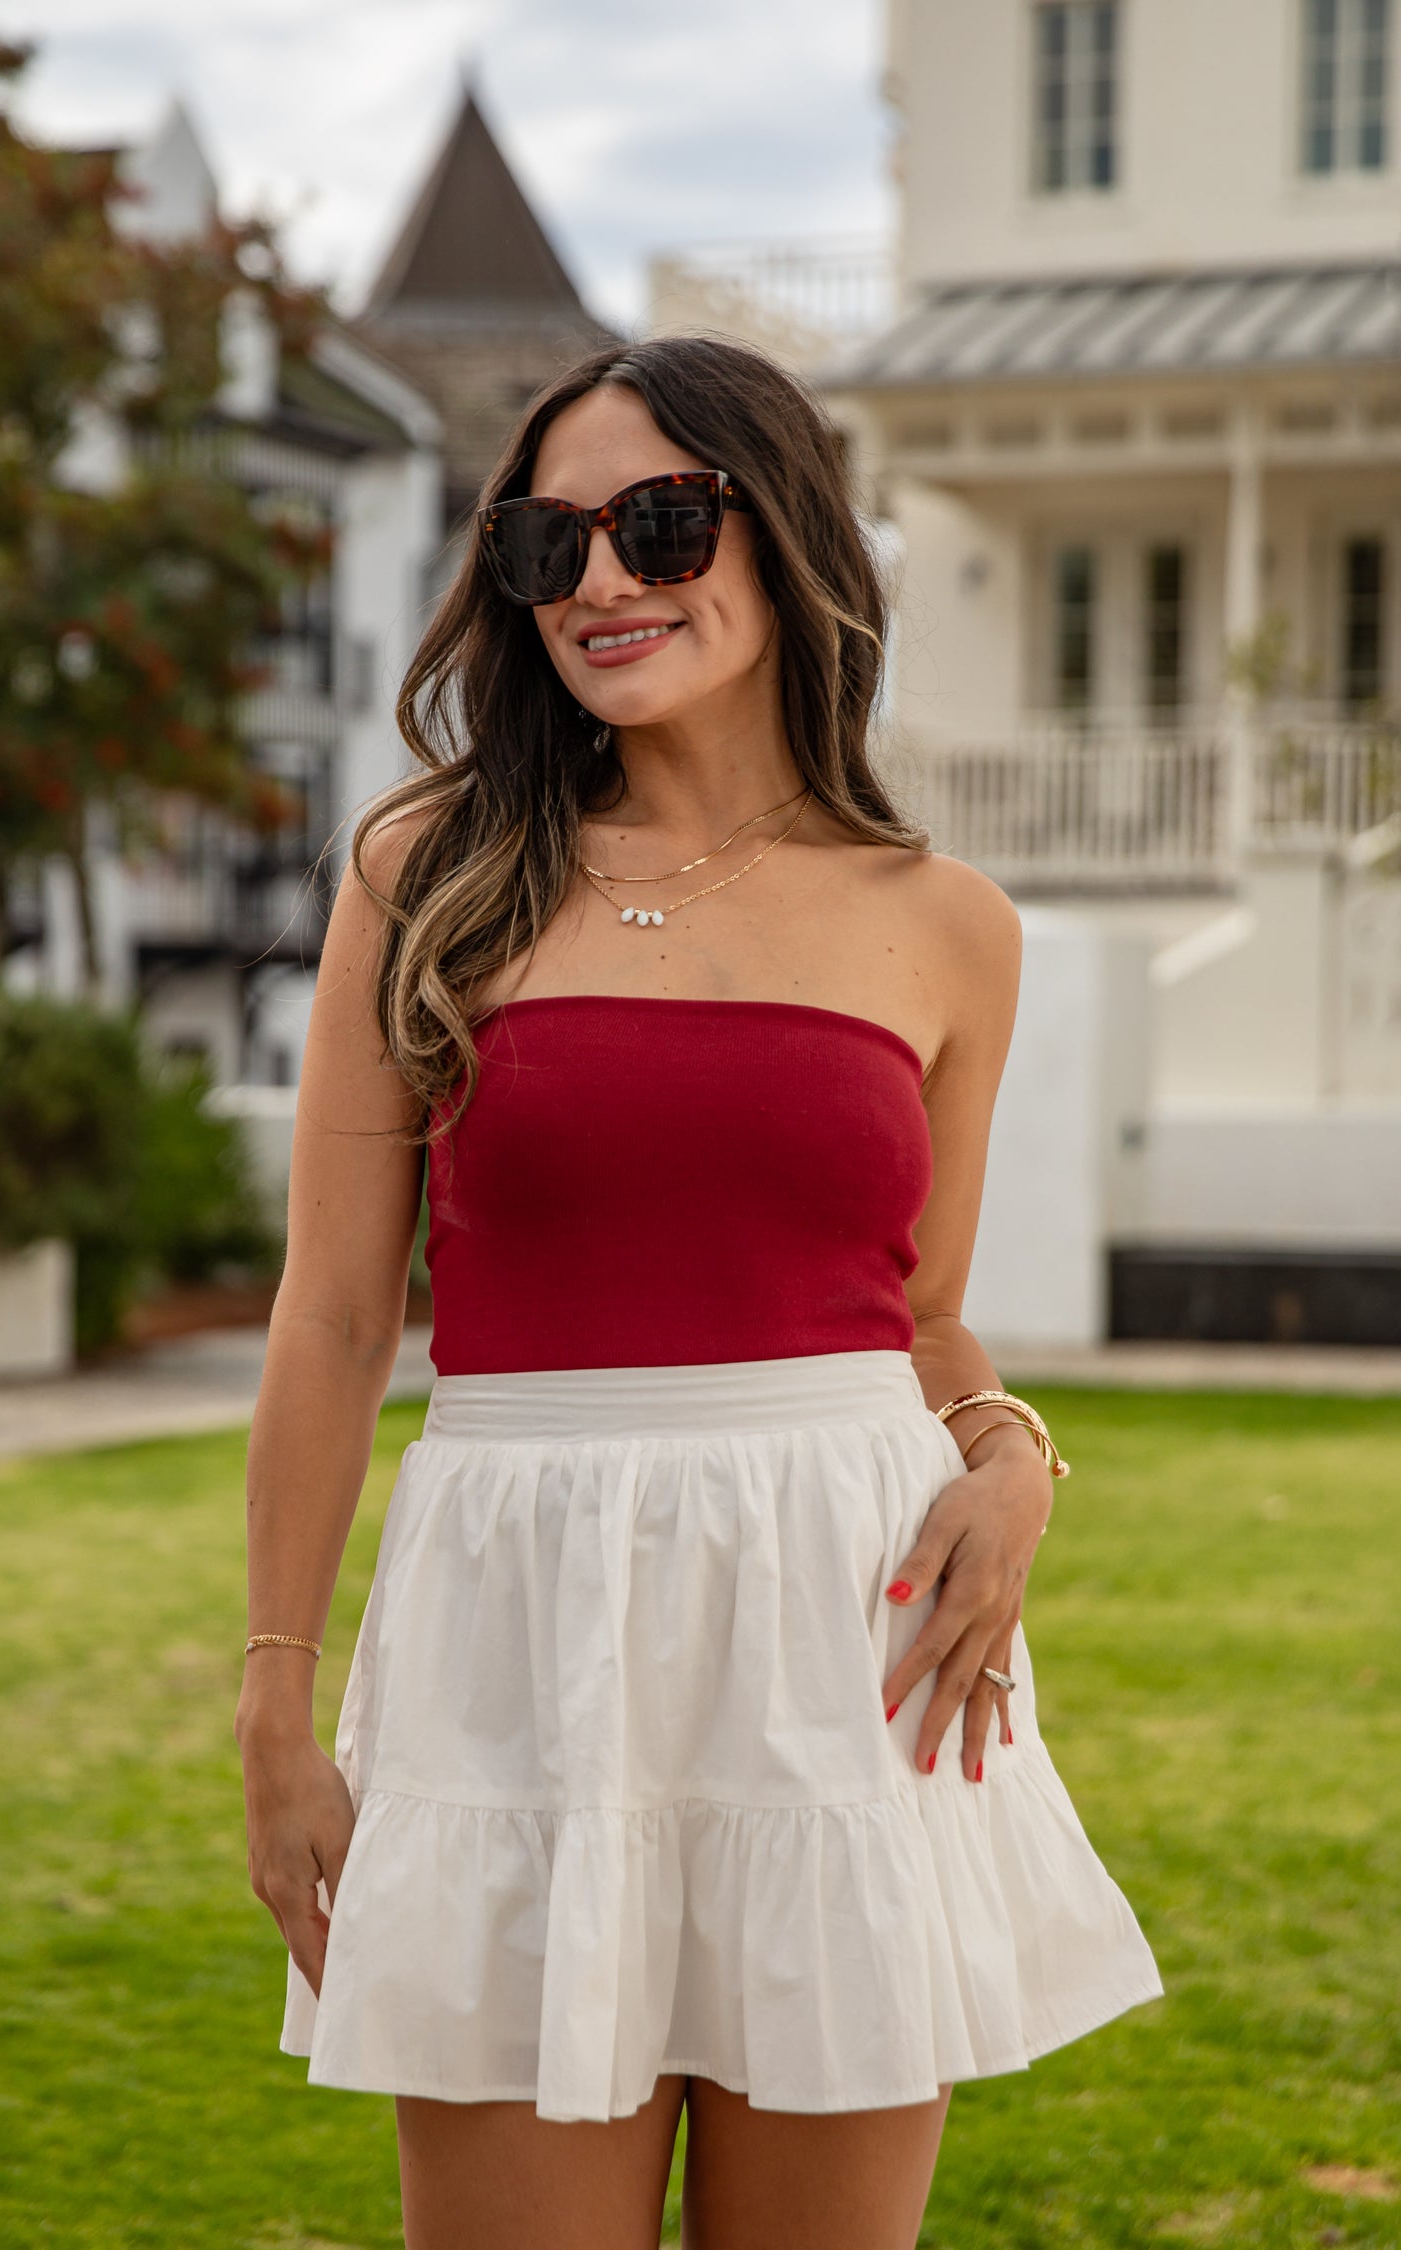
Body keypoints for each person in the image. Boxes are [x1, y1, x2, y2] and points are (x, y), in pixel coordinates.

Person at [235, 333, 1161, 2250]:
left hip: (841, 1645)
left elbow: (916, 1312)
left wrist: (1009, 1454)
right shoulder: (431, 872)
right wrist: (274, 1703)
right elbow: (332, 1318)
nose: (598, 580)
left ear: (788, 526)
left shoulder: (946, 923)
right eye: (547, 542)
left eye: (658, 520)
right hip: (518, 1636)